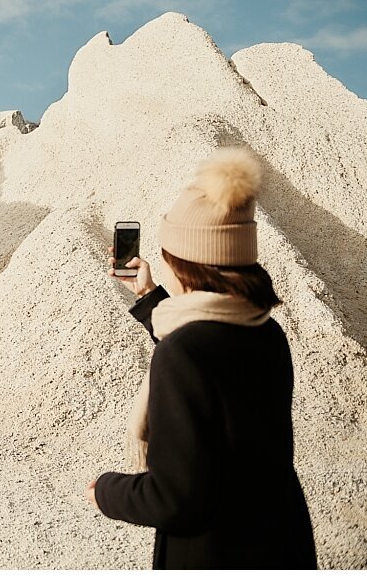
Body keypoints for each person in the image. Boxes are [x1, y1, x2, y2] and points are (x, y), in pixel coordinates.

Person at [91, 147, 314, 569]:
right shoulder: (264, 330)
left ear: (189, 262)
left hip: (215, 554)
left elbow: (176, 498)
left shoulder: (186, 353)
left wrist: (106, 491)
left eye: (169, 254)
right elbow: (207, 368)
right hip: (281, 541)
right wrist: (148, 296)